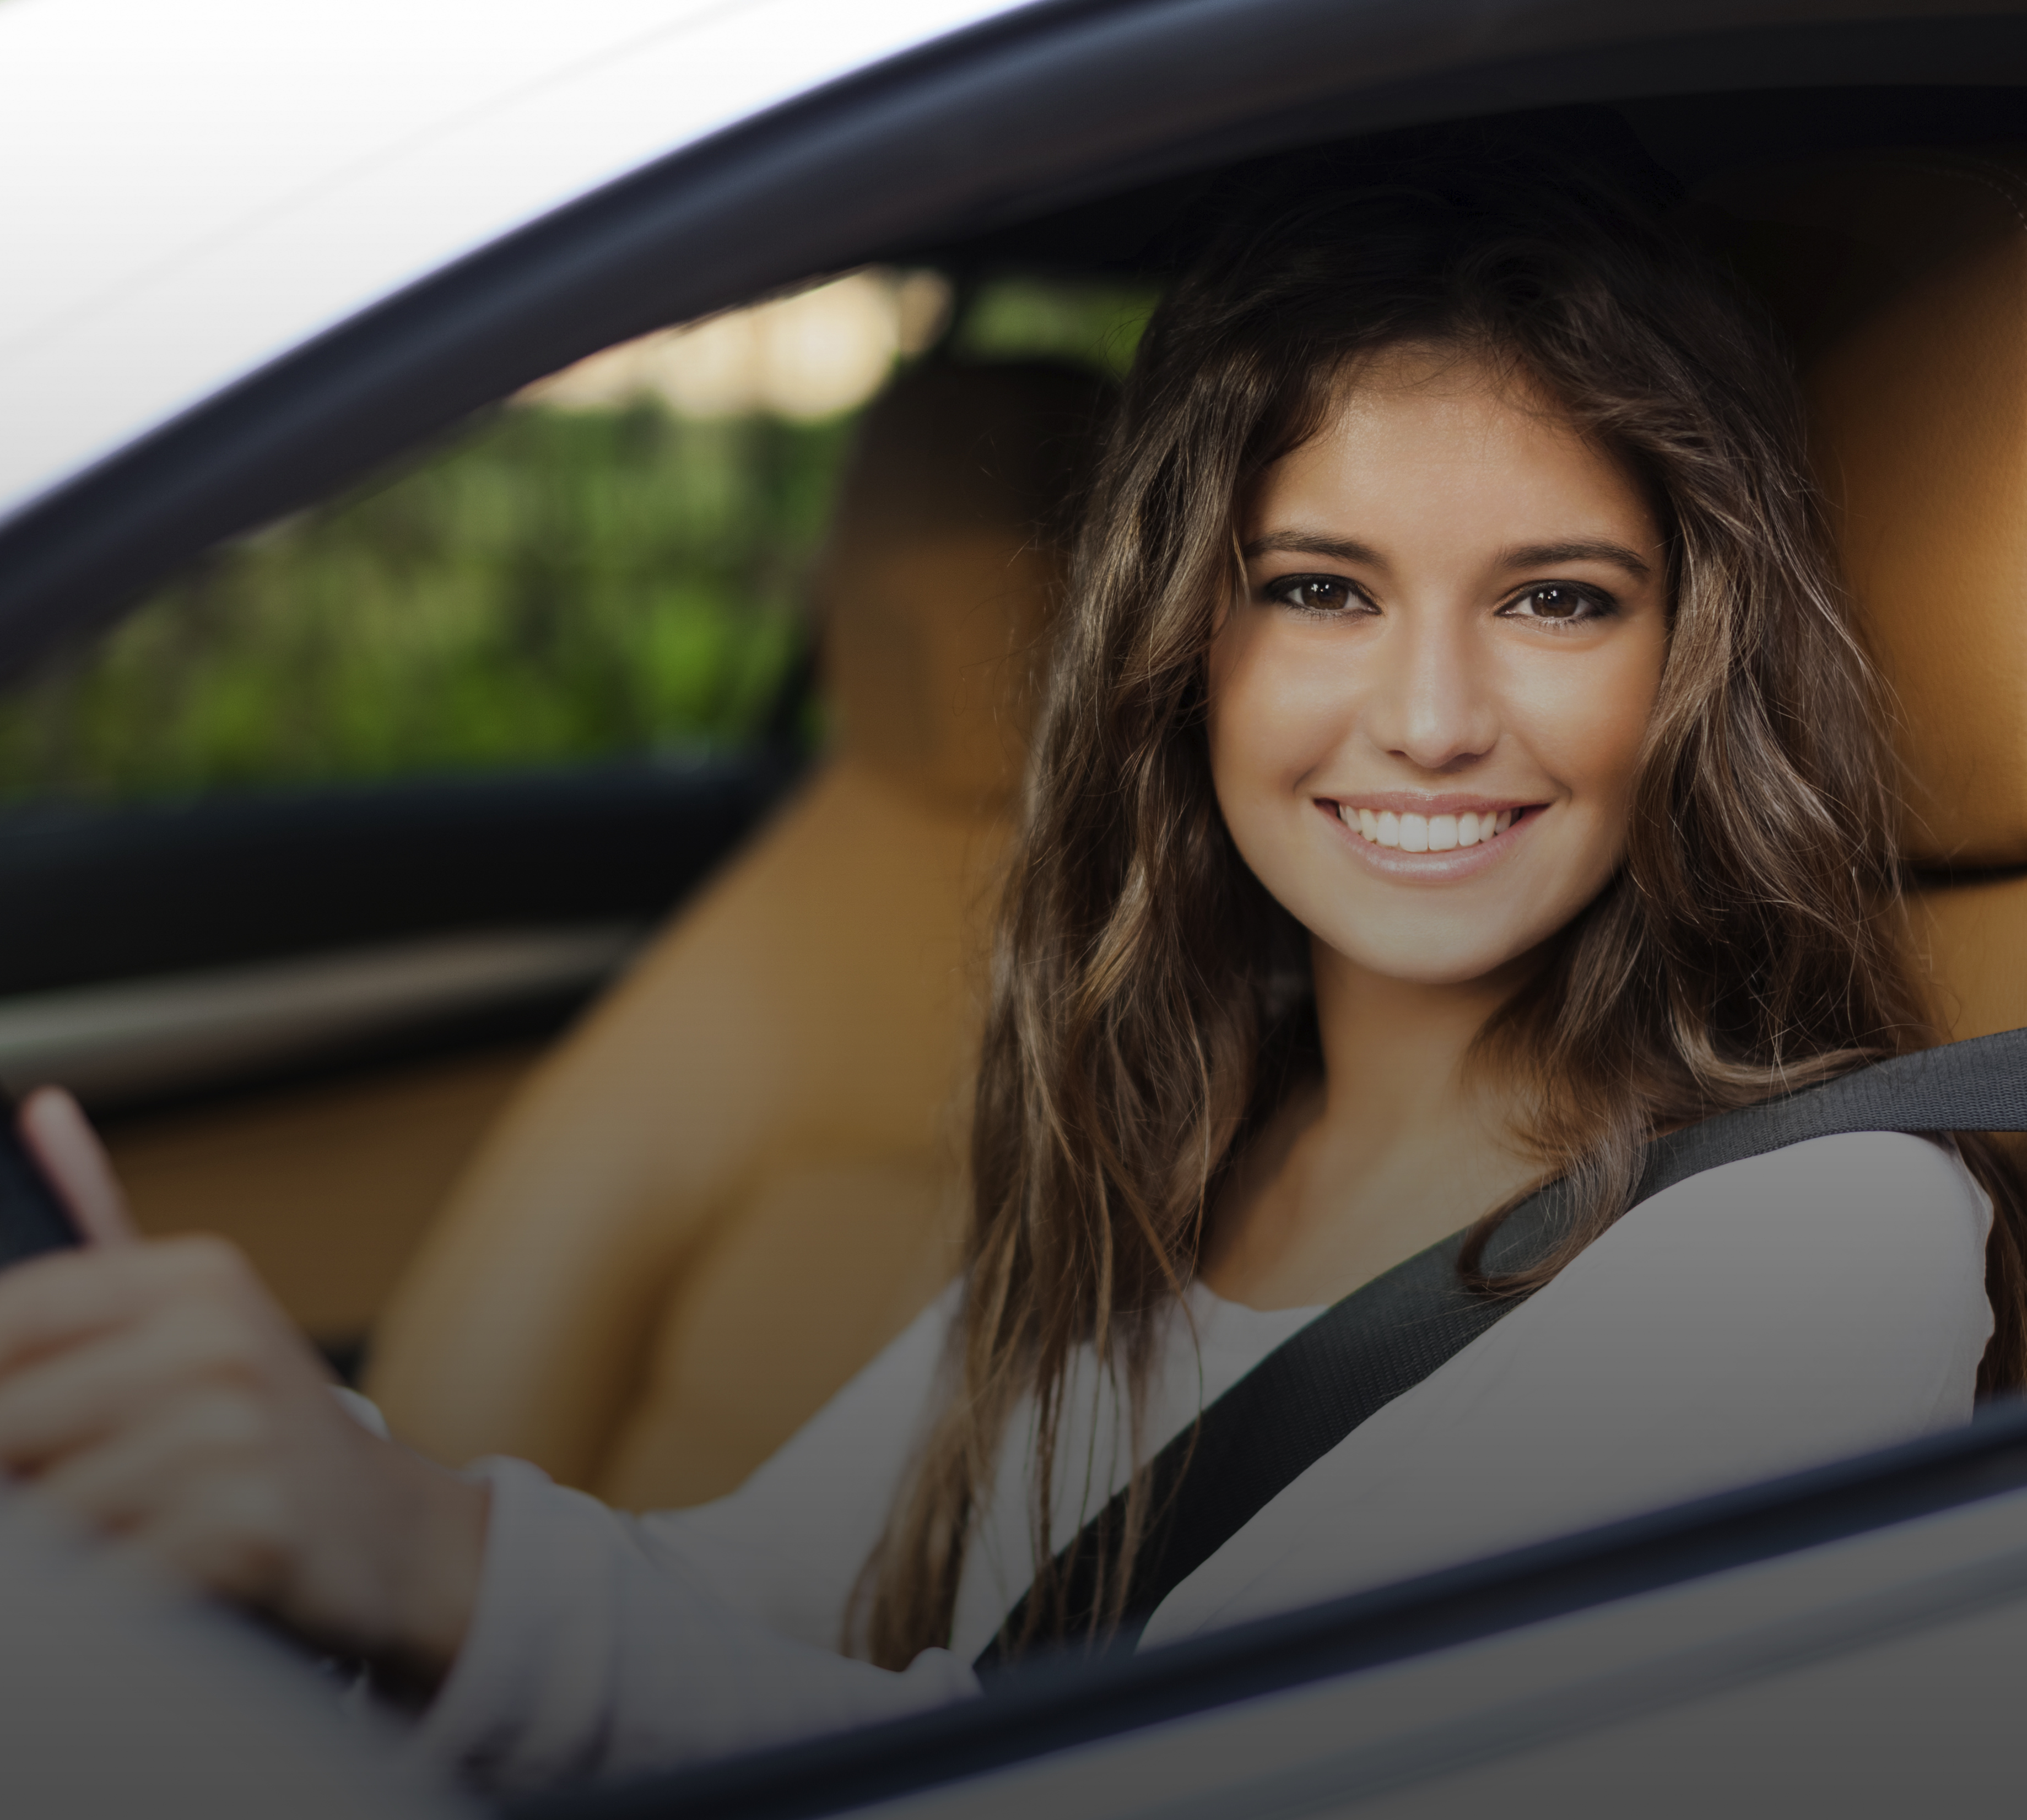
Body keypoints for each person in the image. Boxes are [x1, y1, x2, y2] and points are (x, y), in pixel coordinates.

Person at [0, 134, 2018, 1792]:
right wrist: (241, 1439)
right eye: (1318, 589)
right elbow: (752, 1609)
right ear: (1183, 656)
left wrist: (433, 1563)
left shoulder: (1822, 1245)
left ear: (1696, 665)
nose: (1426, 716)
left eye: (1558, 602)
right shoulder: (1186, 1139)